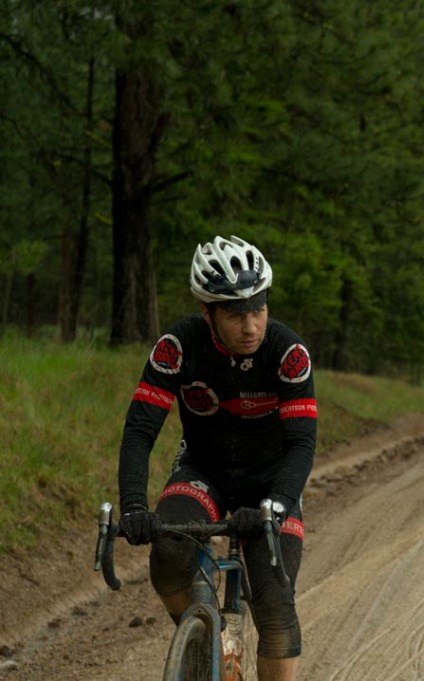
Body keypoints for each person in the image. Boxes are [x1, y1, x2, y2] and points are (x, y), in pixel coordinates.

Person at [117, 235, 316, 681]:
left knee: (275, 604)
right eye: (235, 313)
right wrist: (132, 504)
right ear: (207, 313)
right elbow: (140, 430)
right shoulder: (179, 346)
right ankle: (206, 644)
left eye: (258, 310)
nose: (251, 326)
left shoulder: (288, 353)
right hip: (203, 471)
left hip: (269, 482)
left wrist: (278, 505)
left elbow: (302, 444)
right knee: (168, 553)